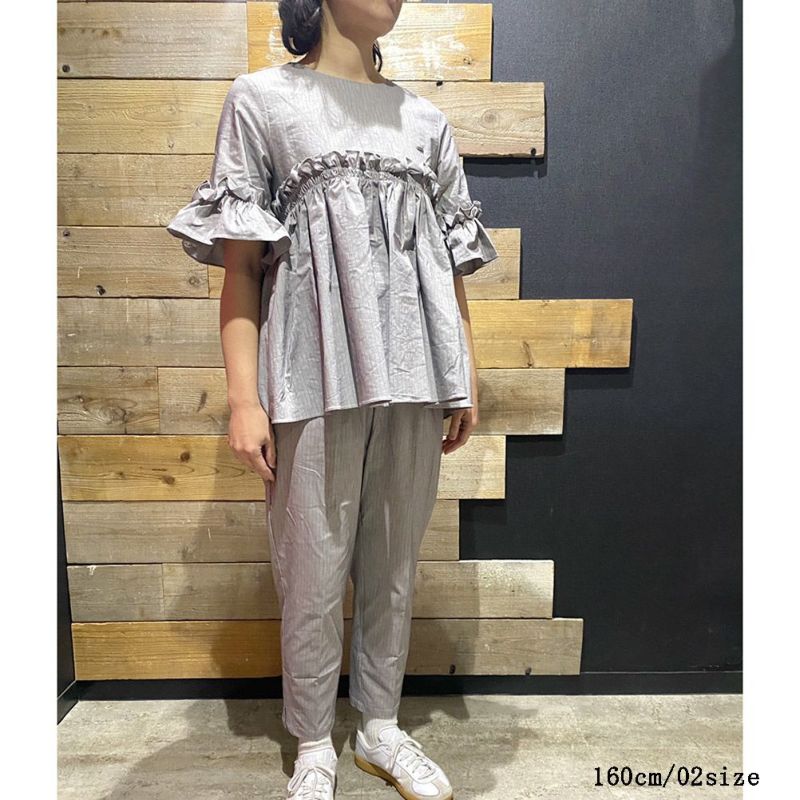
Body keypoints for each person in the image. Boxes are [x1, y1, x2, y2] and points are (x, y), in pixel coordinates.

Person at [166, 1, 498, 797]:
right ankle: (314, 742)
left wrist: (464, 371)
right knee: (311, 570)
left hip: (416, 377)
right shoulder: (263, 101)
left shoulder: (425, 123)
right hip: (309, 373)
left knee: (393, 564)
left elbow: (447, 264)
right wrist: (244, 400)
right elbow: (242, 265)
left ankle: (380, 728)